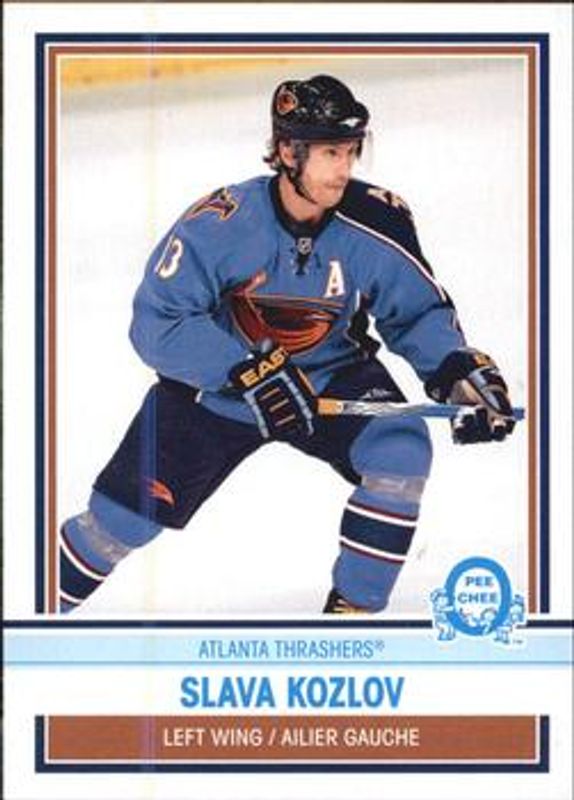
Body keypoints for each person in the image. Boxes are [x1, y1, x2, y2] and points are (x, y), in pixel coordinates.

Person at [59, 74, 516, 615]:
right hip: (218, 393)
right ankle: (35, 605)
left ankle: (352, 617)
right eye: (329, 153)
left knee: (400, 449)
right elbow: (158, 322)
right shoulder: (220, 225)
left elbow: (415, 311)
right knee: (120, 522)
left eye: (351, 151)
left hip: (329, 379)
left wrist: (455, 371)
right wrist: (244, 369)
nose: (343, 168)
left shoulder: (376, 220)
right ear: (286, 152)